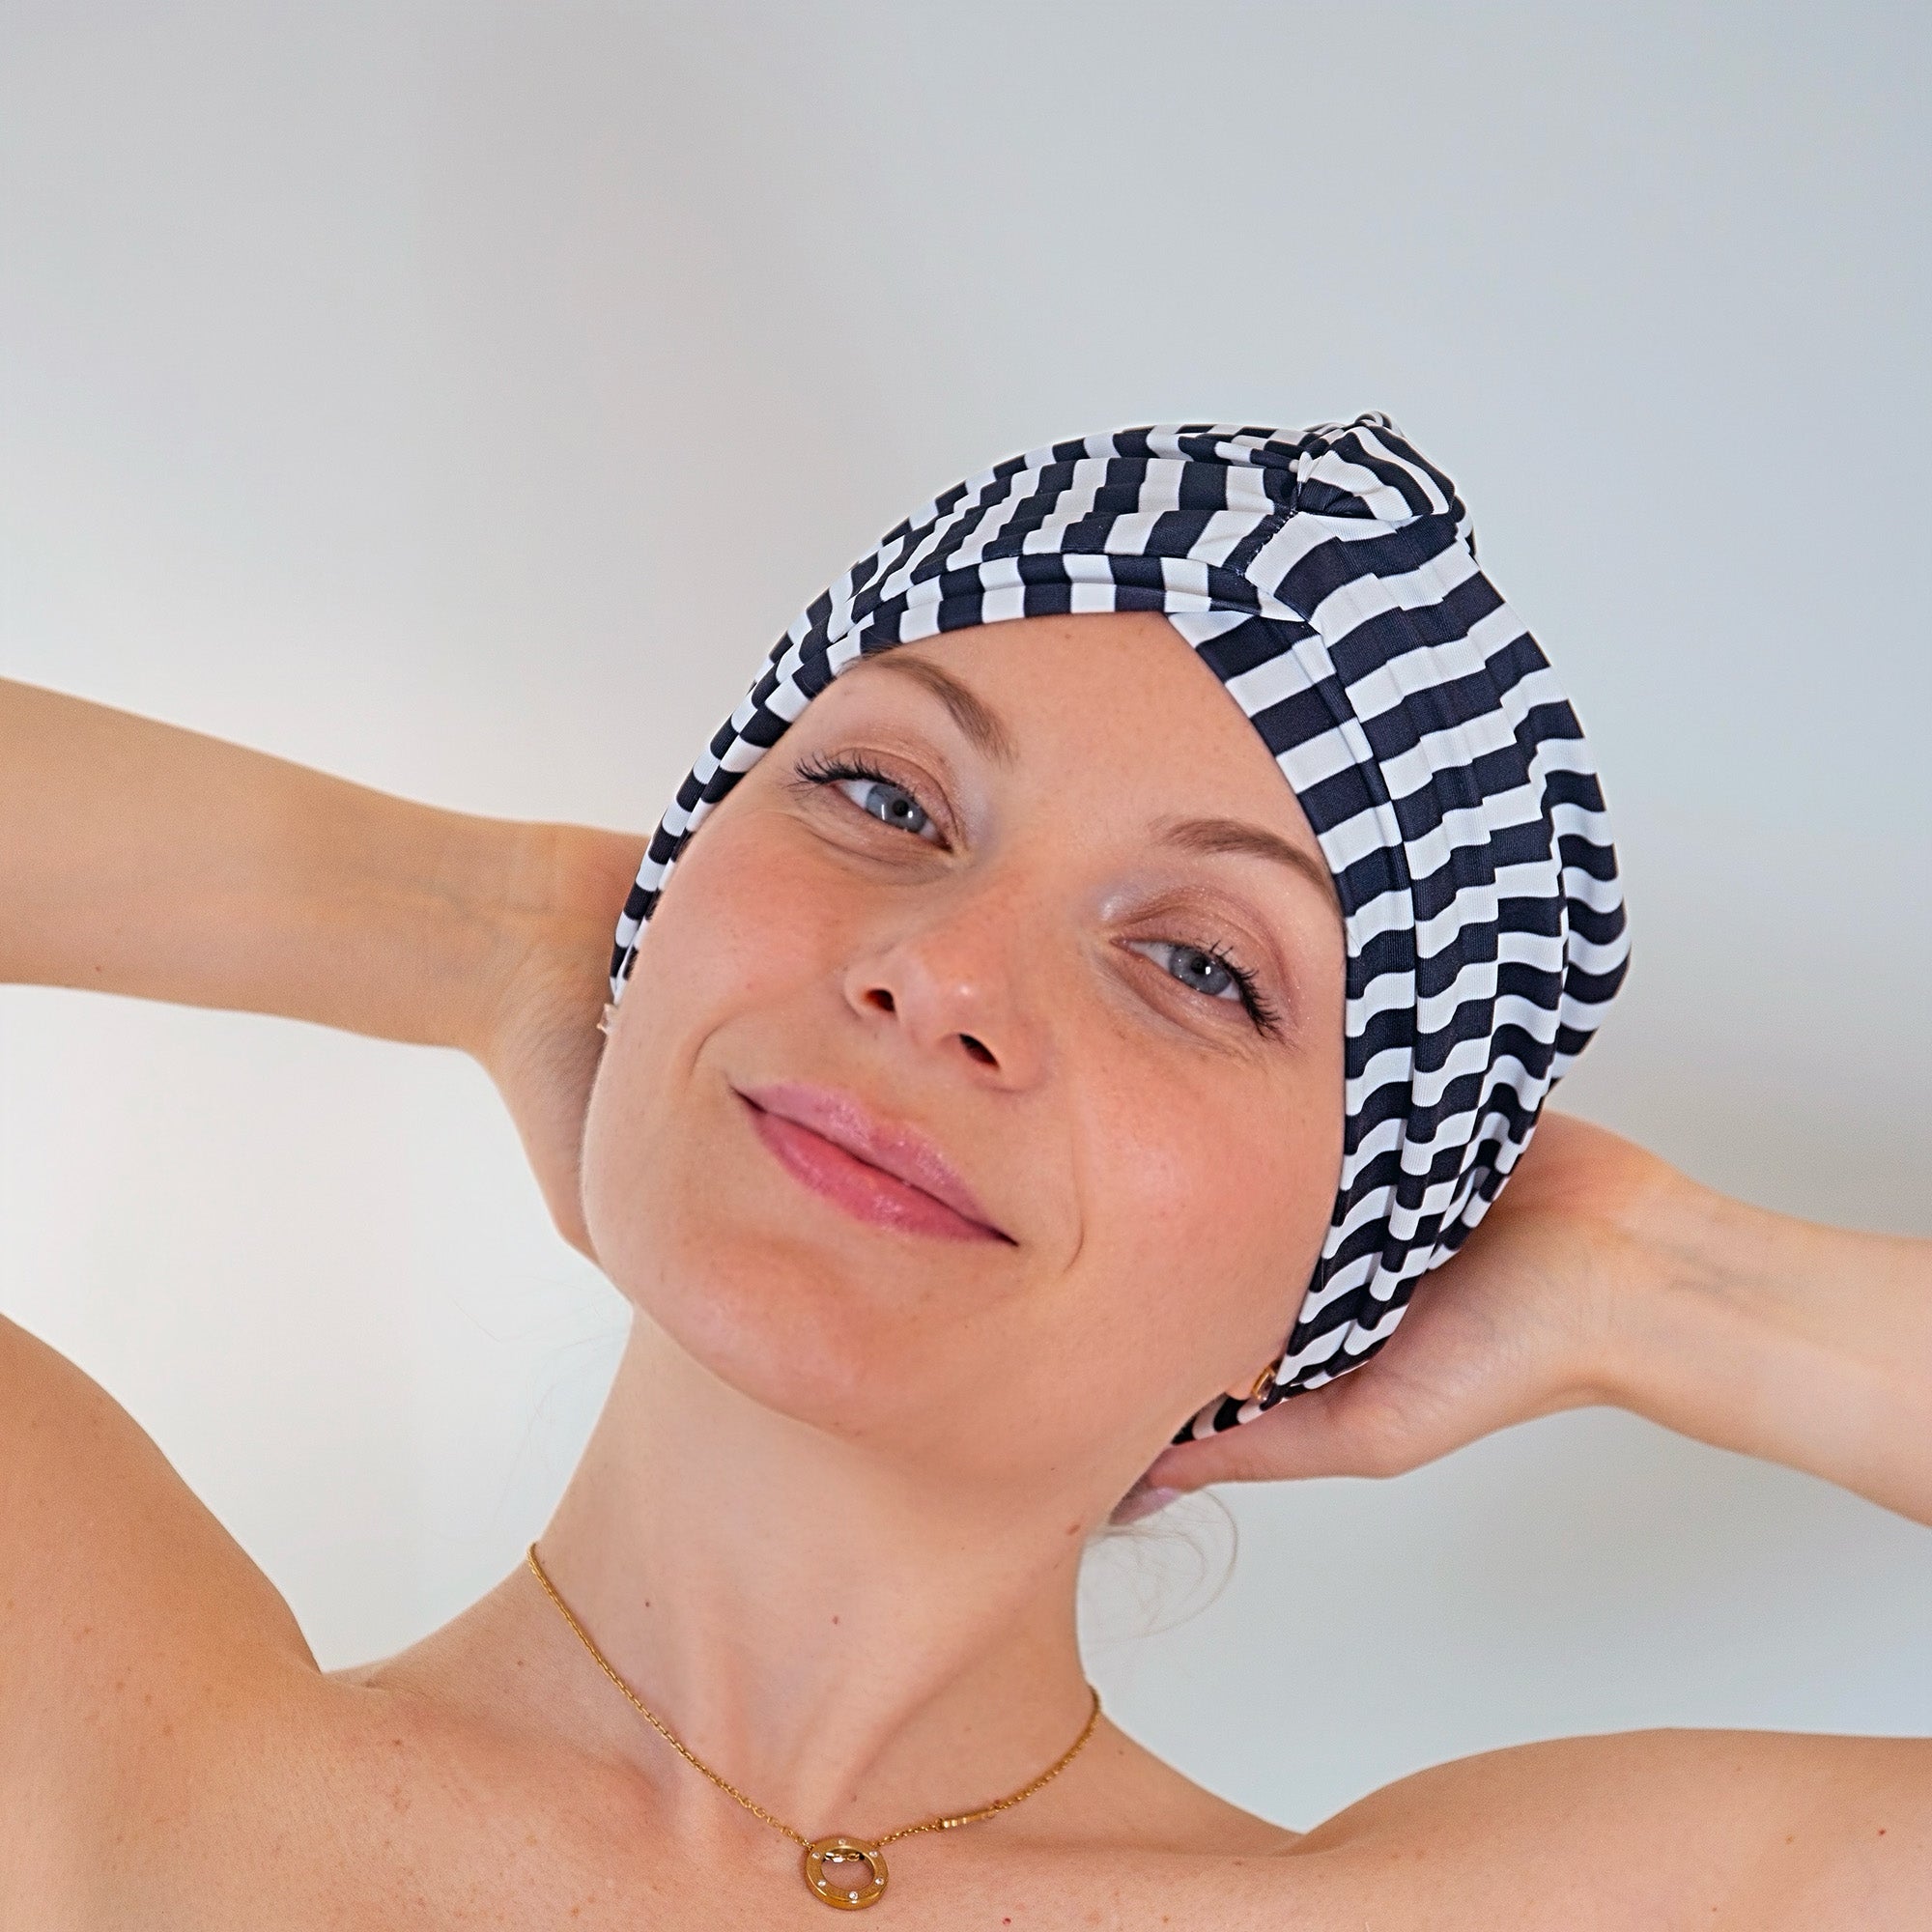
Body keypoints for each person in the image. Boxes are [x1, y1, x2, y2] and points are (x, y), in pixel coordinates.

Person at [3, 420, 1927, 1928]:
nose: (939, 973)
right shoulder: (99, 1738)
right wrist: (482, 920)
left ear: (1349, 1266)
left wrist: (1657, 1284)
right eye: (882, 797)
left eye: (1198, 965)